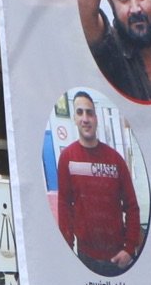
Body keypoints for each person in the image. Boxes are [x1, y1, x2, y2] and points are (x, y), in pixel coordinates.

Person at [55, 91, 142, 274]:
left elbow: (132, 206)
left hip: (117, 258)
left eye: (89, 113)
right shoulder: (67, 158)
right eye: (80, 113)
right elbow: (64, 206)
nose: (85, 118)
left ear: (96, 118)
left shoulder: (115, 160)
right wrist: (66, 250)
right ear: (74, 118)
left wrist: (129, 248)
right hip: (85, 258)